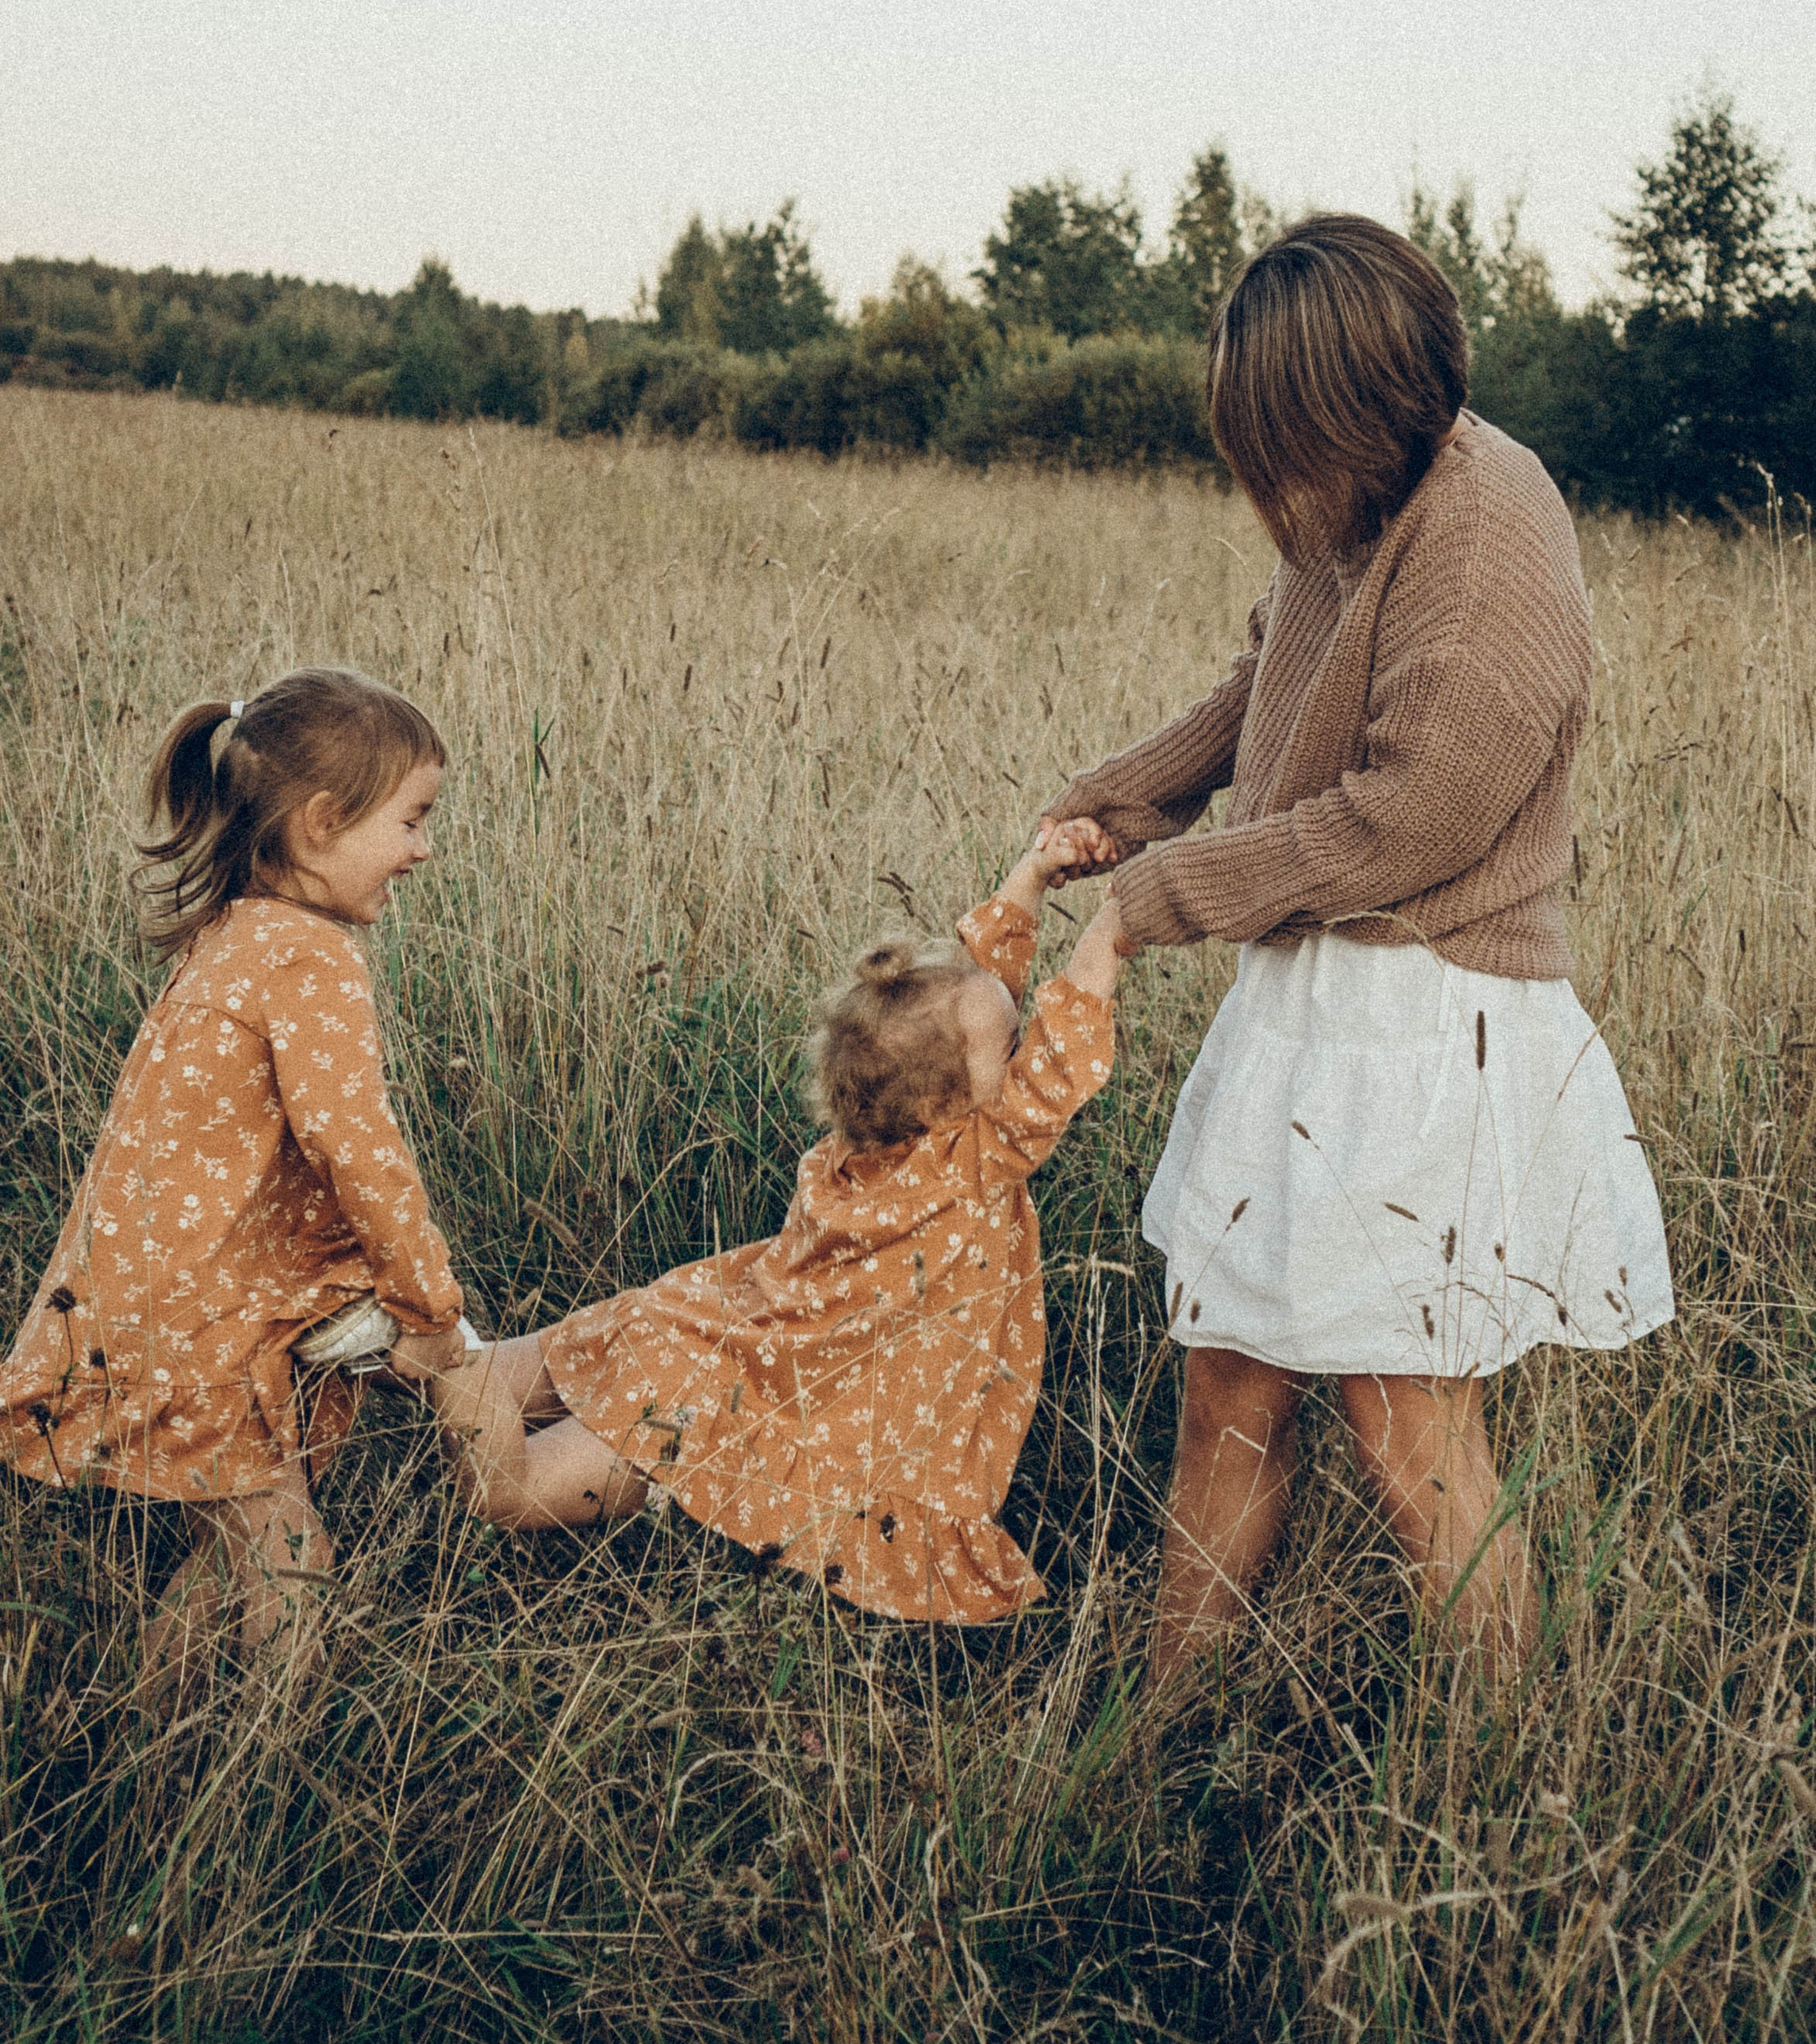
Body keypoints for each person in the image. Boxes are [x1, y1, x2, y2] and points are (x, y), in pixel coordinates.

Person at [1042, 216, 1674, 1681]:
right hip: (1312, 1004)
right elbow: (1269, 675)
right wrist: (1125, 798)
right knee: (1227, 1385)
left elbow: (1407, 824)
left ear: (1366, 409)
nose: (1270, 489)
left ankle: (1498, 1763)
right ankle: (1155, 1737)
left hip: (1426, 1025)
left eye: (1282, 448)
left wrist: (1161, 896)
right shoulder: (1355, 503)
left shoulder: (1489, 538)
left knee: (1409, 1434)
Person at [432, 824, 1127, 1623]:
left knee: (489, 1371)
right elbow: (1056, 1063)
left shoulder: (860, 1146)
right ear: (944, 1106)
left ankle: (402, 1353)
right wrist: (1111, 929)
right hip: (740, 1409)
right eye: (1010, 1051)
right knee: (511, 1491)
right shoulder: (968, 1166)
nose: (1023, 1051)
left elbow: (978, 1000)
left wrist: (1032, 879)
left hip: (699, 1335)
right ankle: (428, 1349)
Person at [0, 669, 470, 1685]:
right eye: (412, 819)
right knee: (291, 1557)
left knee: (233, 1547)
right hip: (199, 1320)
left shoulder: (233, 937)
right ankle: (268, 1774)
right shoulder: (308, 959)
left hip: (146, 1302)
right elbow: (360, 1150)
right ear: (318, 825)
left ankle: (157, 1750)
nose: (423, 850)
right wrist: (428, 1305)